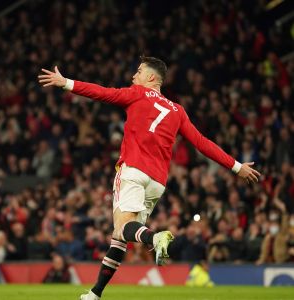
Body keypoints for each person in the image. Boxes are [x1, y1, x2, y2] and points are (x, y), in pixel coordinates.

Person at [38, 56, 260, 300]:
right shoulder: (178, 111)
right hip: (157, 182)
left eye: (139, 71)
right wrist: (236, 167)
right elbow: (201, 142)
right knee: (120, 237)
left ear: (151, 78)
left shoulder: (137, 94)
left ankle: (155, 237)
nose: (134, 76)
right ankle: (95, 293)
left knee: (123, 228)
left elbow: (102, 93)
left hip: (133, 170)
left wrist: (65, 82)